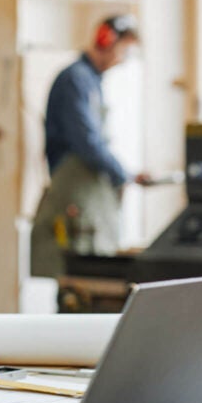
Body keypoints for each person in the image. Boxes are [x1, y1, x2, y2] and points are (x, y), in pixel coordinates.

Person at [30, 15, 148, 279]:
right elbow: (87, 141)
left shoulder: (91, 82)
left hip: (85, 193)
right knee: (76, 282)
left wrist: (127, 174)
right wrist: (122, 174)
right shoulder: (76, 79)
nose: (123, 59)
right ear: (106, 40)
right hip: (73, 193)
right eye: (124, 49)